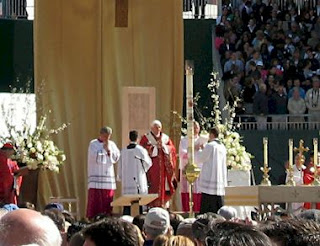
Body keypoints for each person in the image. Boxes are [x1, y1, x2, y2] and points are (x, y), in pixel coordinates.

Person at [140, 120, 177, 208]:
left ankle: (163, 205)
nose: (157, 129)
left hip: (164, 169)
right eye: (155, 127)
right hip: (152, 168)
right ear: (151, 128)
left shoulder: (165, 138)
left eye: (159, 127)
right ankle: (152, 206)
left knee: (164, 186)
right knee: (153, 186)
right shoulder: (146, 137)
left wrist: (164, 147)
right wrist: (154, 148)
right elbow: (143, 149)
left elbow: (172, 149)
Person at [86, 126, 120, 219]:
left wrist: (109, 151)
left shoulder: (112, 144)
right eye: (105, 136)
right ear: (101, 135)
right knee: (96, 200)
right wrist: (104, 150)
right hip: (96, 176)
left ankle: (107, 217)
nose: (107, 138)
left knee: (107, 200)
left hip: (107, 177)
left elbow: (116, 156)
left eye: (109, 136)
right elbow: (93, 156)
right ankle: (93, 218)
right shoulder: (93, 143)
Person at [117, 130, 152, 215]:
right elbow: (148, 163)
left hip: (127, 182)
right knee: (138, 201)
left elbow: (120, 166)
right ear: (137, 138)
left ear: (129, 138)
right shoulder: (141, 150)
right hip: (138, 180)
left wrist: (120, 176)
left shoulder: (123, 151)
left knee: (128, 203)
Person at [196, 127, 227, 214]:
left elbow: (201, 158)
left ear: (211, 134)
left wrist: (198, 150)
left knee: (207, 202)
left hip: (210, 179)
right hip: (219, 179)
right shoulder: (222, 146)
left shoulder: (210, 145)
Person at [179, 121, 207, 213]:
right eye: (193, 128)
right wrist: (193, 149)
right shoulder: (184, 140)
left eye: (196, 128)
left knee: (199, 191)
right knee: (188, 191)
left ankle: (199, 211)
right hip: (188, 169)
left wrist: (203, 148)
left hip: (200, 170)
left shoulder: (202, 140)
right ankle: (187, 211)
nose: (195, 130)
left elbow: (206, 156)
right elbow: (182, 154)